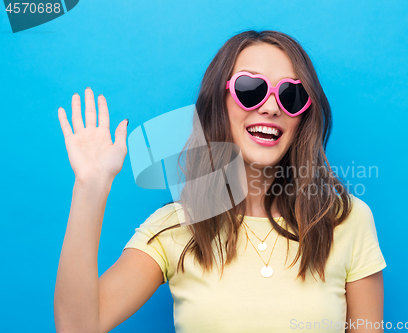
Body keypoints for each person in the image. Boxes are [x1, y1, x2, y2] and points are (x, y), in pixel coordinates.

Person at [54, 30, 387, 333]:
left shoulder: (345, 220)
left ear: (304, 117)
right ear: (219, 103)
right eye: (250, 89)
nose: (271, 107)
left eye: (291, 95)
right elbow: (77, 327)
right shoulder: (177, 227)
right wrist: (90, 185)